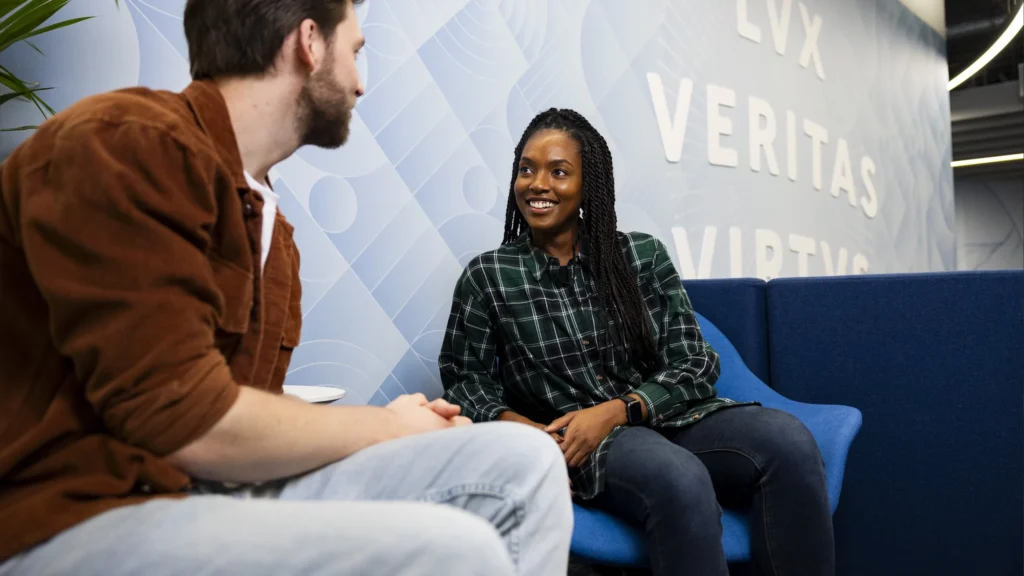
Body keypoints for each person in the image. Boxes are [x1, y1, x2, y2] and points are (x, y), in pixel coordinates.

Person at [0, 2, 573, 575]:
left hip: (206, 489)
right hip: (71, 517)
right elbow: (181, 418)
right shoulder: (127, 143)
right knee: (457, 552)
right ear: (309, 44)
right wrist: (385, 428)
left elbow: (242, 419)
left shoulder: (273, 230)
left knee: (526, 462)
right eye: (355, 52)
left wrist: (395, 425)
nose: (360, 83)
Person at [440, 108, 834, 576]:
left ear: (589, 185)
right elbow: (467, 386)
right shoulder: (488, 277)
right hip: (582, 443)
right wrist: (530, 435)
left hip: (668, 416)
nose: (538, 184)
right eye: (527, 169)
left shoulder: (640, 256)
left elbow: (693, 362)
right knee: (679, 479)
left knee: (789, 442)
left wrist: (619, 409)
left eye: (559, 172)